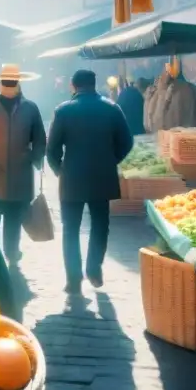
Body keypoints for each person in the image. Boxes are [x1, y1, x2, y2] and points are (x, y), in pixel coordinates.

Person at [48, 70, 133, 293]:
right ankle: (94, 269)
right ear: (94, 84)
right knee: (100, 225)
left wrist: (60, 170)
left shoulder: (63, 110)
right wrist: (111, 160)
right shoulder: (112, 108)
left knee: (70, 229)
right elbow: (127, 141)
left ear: (72, 85)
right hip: (102, 176)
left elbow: (52, 149)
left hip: (72, 178)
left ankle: (73, 278)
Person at [0, 65, 47, 272]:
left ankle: (12, 252)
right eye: (6, 82)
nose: (8, 85)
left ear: (18, 83)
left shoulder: (31, 108)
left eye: (12, 82)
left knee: (14, 219)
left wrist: (33, 157)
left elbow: (40, 140)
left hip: (20, 177)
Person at [144, 58, 196, 132]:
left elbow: (149, 125)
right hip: (187, 137)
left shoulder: (156, 92)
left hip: (165, 138)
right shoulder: (192, 89)